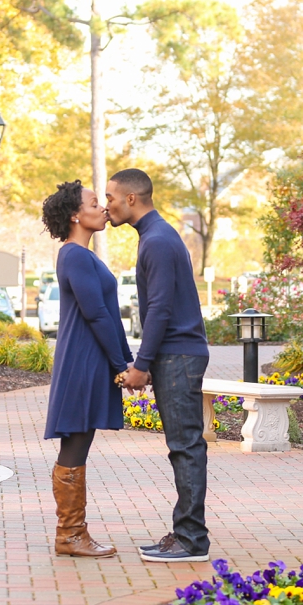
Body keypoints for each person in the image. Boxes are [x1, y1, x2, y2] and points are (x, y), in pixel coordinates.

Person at [106, 166, 210, 561]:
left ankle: (191, 540)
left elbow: (161, 309)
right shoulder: (155, 236)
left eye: (112, 197)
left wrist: (141, 363)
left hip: (179, 355)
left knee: (185, 448)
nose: (109, 204)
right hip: (175, 354)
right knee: (181, 447)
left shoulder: (158, 241)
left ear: (132, 198)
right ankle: (184, 532)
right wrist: (146, 362)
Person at [41, 179, 132, 558]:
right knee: (75, 445)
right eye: (96, 203)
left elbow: (106, 314)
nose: (104, 207)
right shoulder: (74, 255)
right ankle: (70, 534)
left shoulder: (84, 255)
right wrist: (121, 363)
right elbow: (95, 314)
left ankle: (71, 533)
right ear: (76, 215)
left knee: (79, 443)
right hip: (83, 360)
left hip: (88, 358)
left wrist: (128, 360)